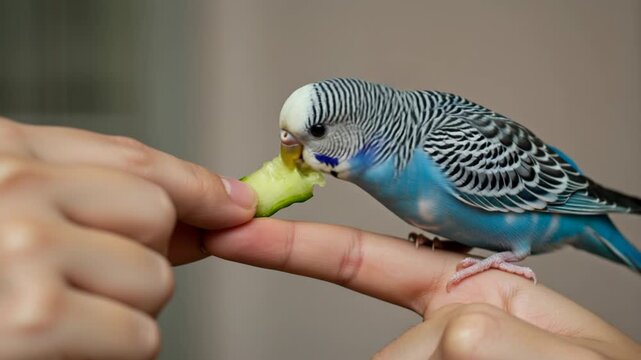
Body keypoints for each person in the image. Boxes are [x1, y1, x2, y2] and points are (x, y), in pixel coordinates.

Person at [0, 116, 638, 360]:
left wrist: (503, 260)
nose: (293, 152)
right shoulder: (387, 166)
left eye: (314, 135)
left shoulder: (443, 148)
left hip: (559, 213)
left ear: (362, 127)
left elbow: (537, 182)